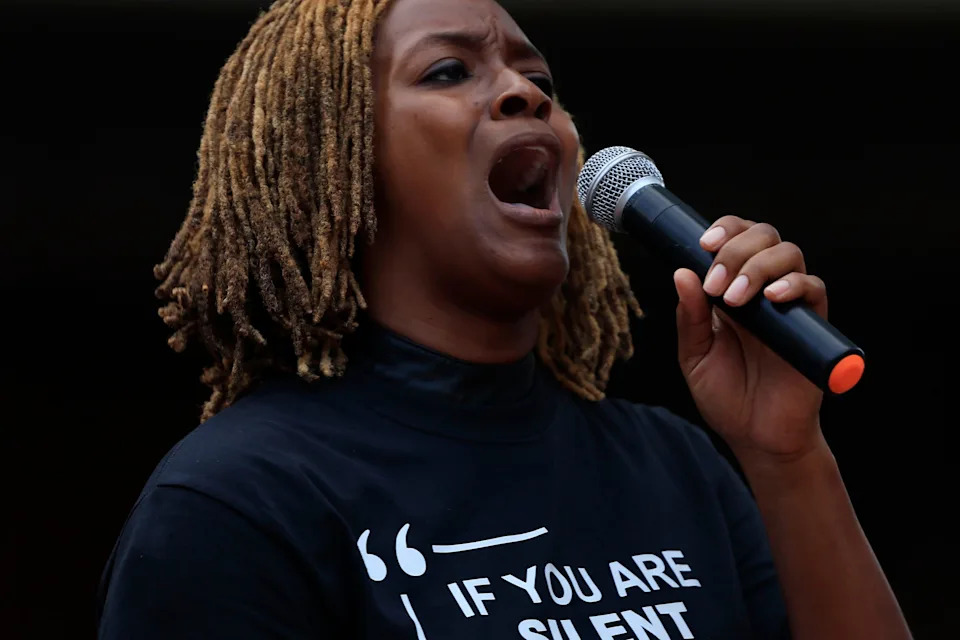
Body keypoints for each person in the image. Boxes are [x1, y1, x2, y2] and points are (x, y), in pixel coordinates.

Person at [96, 0, 912, 638]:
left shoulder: (675, 466)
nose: (525, 94)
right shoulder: (237, 500)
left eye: (543, 86)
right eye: (449, 70)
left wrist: (786, 456)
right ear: (334, 153)